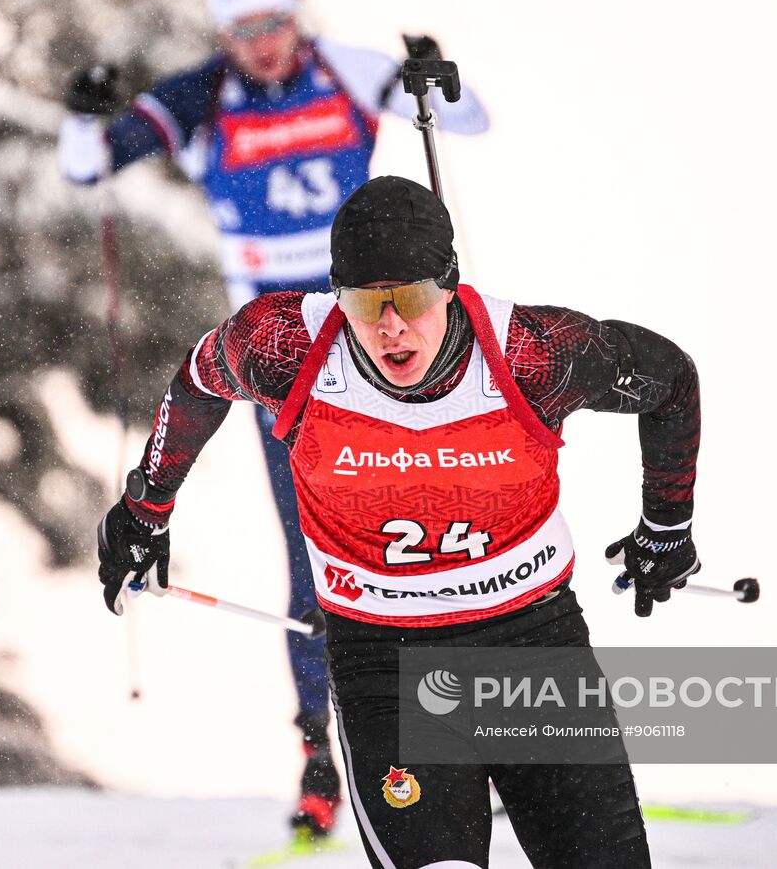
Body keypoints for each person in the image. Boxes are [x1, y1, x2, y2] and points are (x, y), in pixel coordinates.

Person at [96, 175, 702, 867]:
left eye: (409, 298)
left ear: (447, 283)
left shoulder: (533, 354)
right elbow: (202, 379)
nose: (389, 326)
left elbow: (671, 381)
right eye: (364, 301)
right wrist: (145, 510)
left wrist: (667, 525)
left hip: (533, 648)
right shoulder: (289, 346)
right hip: (387, 663)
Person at [58, 0, 489, 837]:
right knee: (318, 555)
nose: (264, 43)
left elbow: (472, 119)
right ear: (223, 30)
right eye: (243, 28)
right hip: (283, 360)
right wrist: (83, 111)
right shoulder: (203, 95)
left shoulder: (344, 67)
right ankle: (324, 757)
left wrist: (430, 77)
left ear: (296, 14)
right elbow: (89, 163)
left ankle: (483, 741)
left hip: (384, 329)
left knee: (448, 523)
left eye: (275, 22)